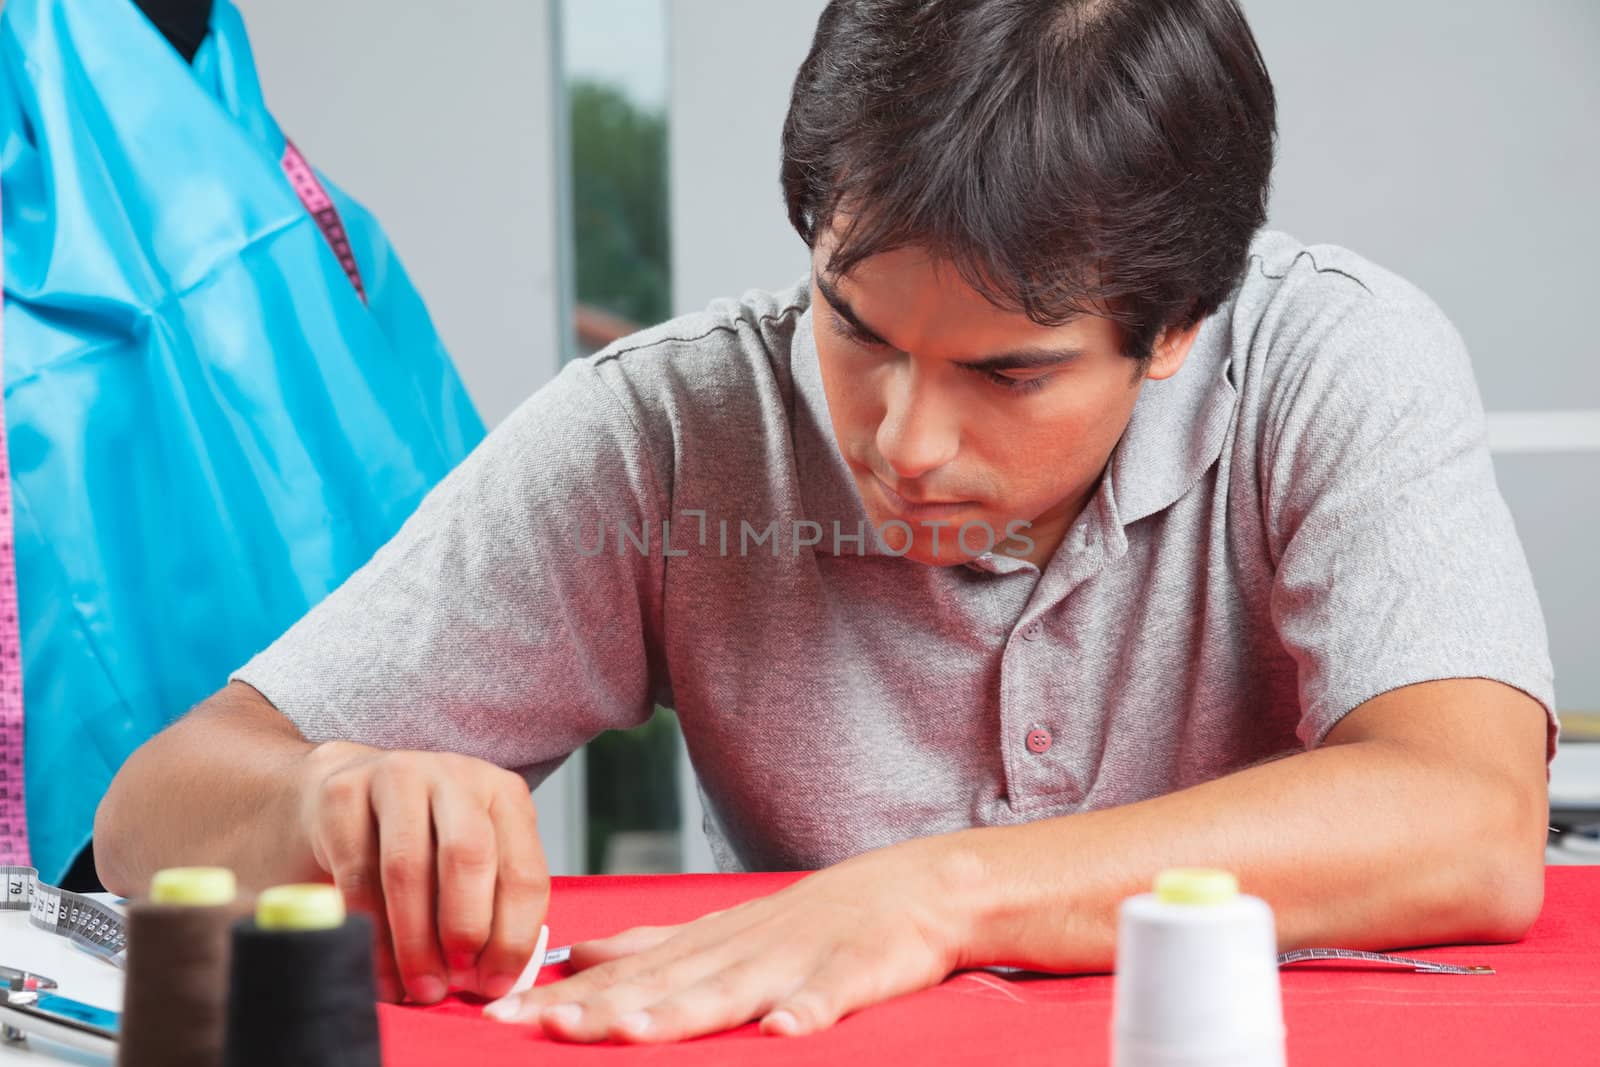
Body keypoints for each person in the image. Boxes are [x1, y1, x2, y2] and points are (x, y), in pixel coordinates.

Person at [94, 0, 1555, 1045]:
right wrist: (323, 799)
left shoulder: (1332, 362)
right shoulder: (670, 432)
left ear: (1176, 326)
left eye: (1005, 372)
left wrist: (929, 898)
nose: (903, 442)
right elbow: (153, 812)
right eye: (852, 328)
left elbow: (1469, 819)